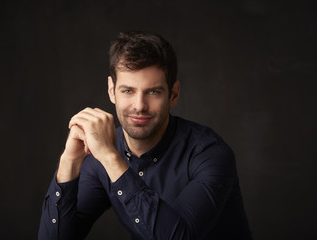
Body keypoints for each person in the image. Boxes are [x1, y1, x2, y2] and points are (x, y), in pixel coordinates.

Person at [38, 31, 252, 240]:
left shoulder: (210, 154)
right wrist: (70, 161)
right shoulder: (101, 157)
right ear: (112, 91)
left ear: (174, 94)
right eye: (128, 91)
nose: (139, 106)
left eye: (153, 92)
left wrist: (112, 159)